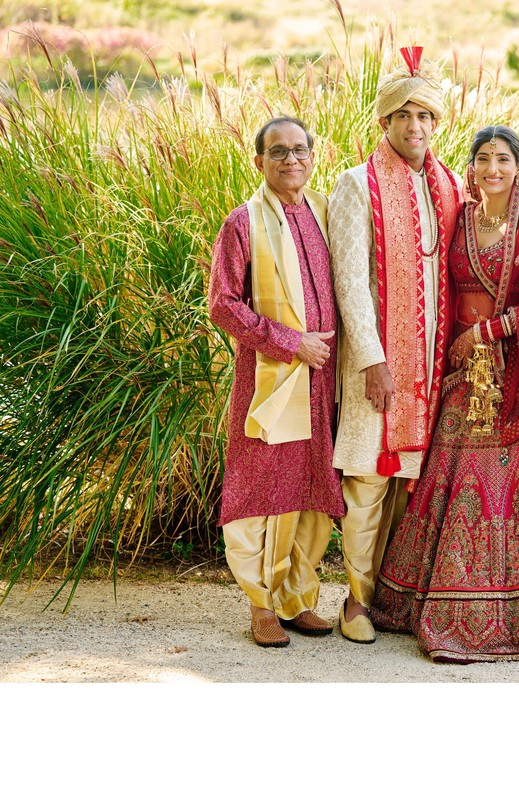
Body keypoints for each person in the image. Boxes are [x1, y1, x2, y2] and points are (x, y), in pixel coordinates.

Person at [370, 126, 519, 662]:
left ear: (518, 167)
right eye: (483, 160)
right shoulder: (458, 220)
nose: (493, 169)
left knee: (516, 479)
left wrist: (484, 334)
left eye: (503, 159)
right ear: (472, 167)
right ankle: (437, 603)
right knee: (452, 479)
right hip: (460, 377)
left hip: (513, 373)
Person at [328, 47, 461, 643]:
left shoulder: (449, 186)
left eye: (425, 118)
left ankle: (393, 596)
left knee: (413, 483)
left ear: (436, 125)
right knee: (367, 481)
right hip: (377, 366)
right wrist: (374, 360)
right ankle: (355, 600)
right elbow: (350, 280)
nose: (415, 128)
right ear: (383, 123)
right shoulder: (356, 185)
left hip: (430, 368)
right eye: (403, 117)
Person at [208, 116, 343, 648]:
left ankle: (297, 598)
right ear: (258, 161)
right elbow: (223, 304)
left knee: (312, 487)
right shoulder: (242, 223)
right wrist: (292, 343)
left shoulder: (324, 212)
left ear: (313, 156)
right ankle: (261, 604)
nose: (291, 159)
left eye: (299, 149)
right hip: (273, 377)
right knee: (263, 486)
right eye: (278, 151)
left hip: (321, 378)